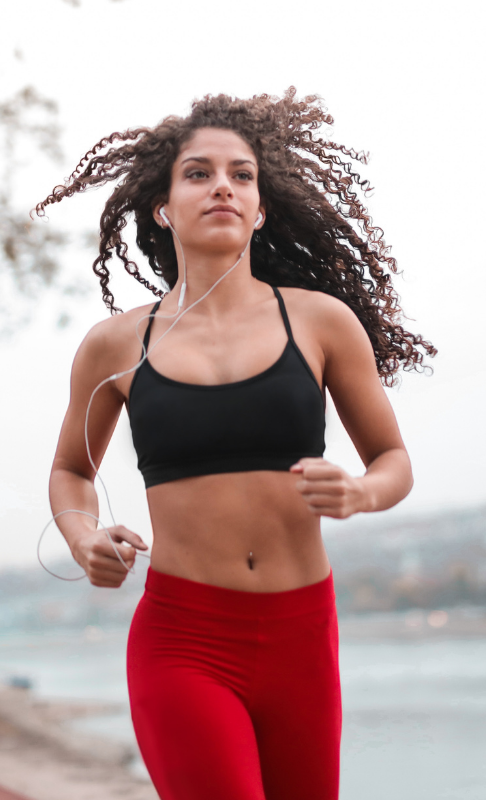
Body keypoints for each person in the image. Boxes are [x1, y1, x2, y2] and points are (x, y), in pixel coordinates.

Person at [38, 89, 435, 800]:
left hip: (301, 636)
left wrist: (359, 491)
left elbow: (393, 461)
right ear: (162, 207)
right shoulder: (115, 346)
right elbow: (72, 470)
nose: (222, 185)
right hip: (183, 641)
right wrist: (81, 537)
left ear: (260, 207)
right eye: (197, 172)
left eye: (241, 175)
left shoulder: (320, 323)